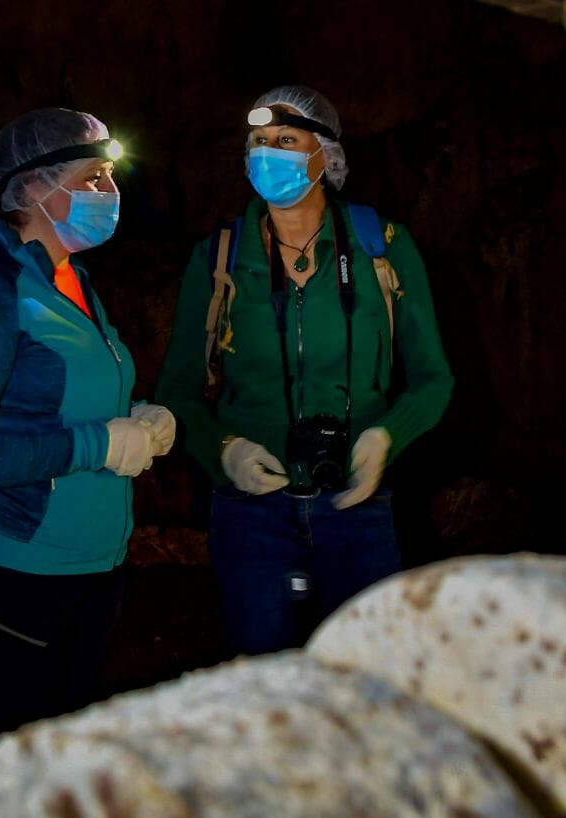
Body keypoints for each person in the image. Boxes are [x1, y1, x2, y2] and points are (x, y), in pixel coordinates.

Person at [0, 108, 175, 793]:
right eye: (92, 178)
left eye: (111, 179)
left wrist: (136, 417)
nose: (107, 195)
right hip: (1, 576)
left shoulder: (73, 281)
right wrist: (99, 443)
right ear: (33, 190)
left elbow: (64, 396)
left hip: (82, 574)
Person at [155, 85, 452, 656]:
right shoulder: (218, 258)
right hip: (249, 511)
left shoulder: (381, 247)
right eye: (259, 143)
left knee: (365, 671)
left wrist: (389, 434)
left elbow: (434, 377)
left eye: (287, 140)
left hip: (356, 506)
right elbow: (177, 391)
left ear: (326, 155)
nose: (269, 154)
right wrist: (224, 449)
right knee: (264, 674)